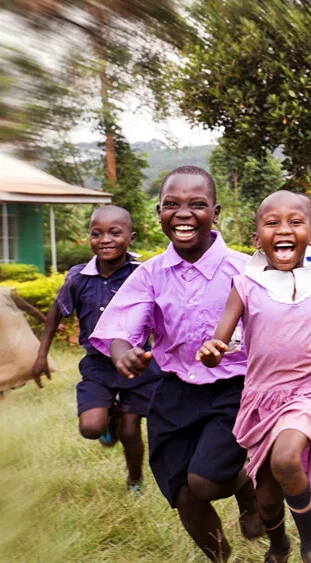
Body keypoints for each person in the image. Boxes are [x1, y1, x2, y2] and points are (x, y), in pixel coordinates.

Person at [89, 166, 264, 561]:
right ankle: (221, 558)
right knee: (182, 492)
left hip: (233, 391)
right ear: (159, 213)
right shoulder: (150, 274)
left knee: (203, 482)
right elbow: (121, 329)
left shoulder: (245, 270)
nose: (183, 213)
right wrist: (123, 356)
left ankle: (244, 486)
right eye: (172, 204)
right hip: (174, 393)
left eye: (197, 205)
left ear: (216, 213)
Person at [197, 190, 311, 563]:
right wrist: (212, 352)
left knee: (286, 458)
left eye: (296, 222)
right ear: (257, 236)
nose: (284, 229)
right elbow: (221, 338)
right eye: (271, 222)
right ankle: (280, 545)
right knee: (267, 496)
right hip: (262, 399)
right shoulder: (245, 286)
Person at [32, 206, 161, 495]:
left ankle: (135, 481)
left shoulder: (142, 274)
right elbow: (57, 311)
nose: (105, 239)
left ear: (131, 237)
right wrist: (41, 355)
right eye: (96, 233)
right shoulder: (79, 277)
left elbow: (164, 314)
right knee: (91, 428)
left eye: (115, 233)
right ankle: (109, 416)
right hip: (97, 366)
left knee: (130, 431)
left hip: (135, 364)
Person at [0, 286, 50, 394]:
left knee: (27, 362)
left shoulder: (6, 294)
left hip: (12, 340)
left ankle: (40, 386)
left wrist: (47, 322)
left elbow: (29, 309)